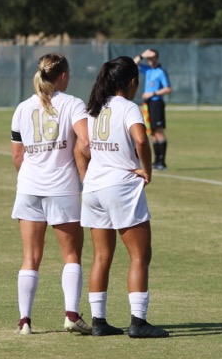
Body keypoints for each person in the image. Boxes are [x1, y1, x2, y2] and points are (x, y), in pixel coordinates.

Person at [78, 56, 169, 338]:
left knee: (101, 257)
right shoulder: (128, 107)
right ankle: (138, 322)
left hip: (93, 187)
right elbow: (142, 139)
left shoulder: (94, 107)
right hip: (121, 187)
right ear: (132, 83)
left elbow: (83, 147)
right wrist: (147, 169)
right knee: (140, 255)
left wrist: (87, 176)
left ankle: (99, 321)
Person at [10, 53, 92, 335]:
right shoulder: (73, 104)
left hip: (29, 188)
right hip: (63, 189)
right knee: (71, 255)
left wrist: (35, 176)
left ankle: (24, 321)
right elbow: (86, 141)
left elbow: (17, 156)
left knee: (30, 257)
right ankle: (71, 315)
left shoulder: (22, 108)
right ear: (64, 76)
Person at [134, 49, 172, 170]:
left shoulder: (160, 72)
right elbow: (133, 65)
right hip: (148, 104)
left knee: (158, 132)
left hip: (156, 103)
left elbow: (168, 89)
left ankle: (162, 162)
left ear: (156, 58)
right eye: (148, 58)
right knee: (152, 133)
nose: (150, 60)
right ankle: (156, 161)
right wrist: (142, 55)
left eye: (152, 57)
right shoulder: (148, 70)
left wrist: (153, 93)